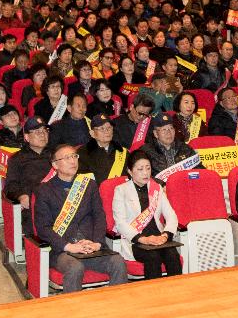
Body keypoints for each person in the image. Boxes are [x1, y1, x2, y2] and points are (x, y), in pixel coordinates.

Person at [32, 144, 128, 292]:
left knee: (118, 262)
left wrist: (97, 242)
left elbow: (99, 216)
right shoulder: (44, 190)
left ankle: (114, 308)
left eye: (74, 156)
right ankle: (74, 311)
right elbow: (43, 228)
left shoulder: (89, 185)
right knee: (75, 267)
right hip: (63, 250)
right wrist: (69, 246)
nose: (73, 161)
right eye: (67, 157)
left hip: (91, 246)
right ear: (55, 164)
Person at [110, 151, 182, 279]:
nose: (145, 173)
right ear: (130, 171)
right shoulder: (121, 190)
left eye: (148, 168)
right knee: (153, 257)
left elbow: (171, 216)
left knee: (173, 255)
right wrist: (143, 239)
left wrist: (165, 235)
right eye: (140, 169)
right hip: (136, 241)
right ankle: (153, 297)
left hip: (159, 238)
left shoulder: (157, 188)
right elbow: (120, 223)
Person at [3, 117, 54, 234]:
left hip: (59, 202)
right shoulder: (17, 159)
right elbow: (10, 186)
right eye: (37, 132)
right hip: (34, 205)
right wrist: (21, 196)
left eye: (45, 130)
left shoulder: (56, 155)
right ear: (26, 137)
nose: (42, 134)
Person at [78, 114, 127, 181]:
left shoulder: (121, 151)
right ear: (92, 133)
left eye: (109, 128)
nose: (107, 131)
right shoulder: (83, 153)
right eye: (102, 128)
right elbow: (83, 180)